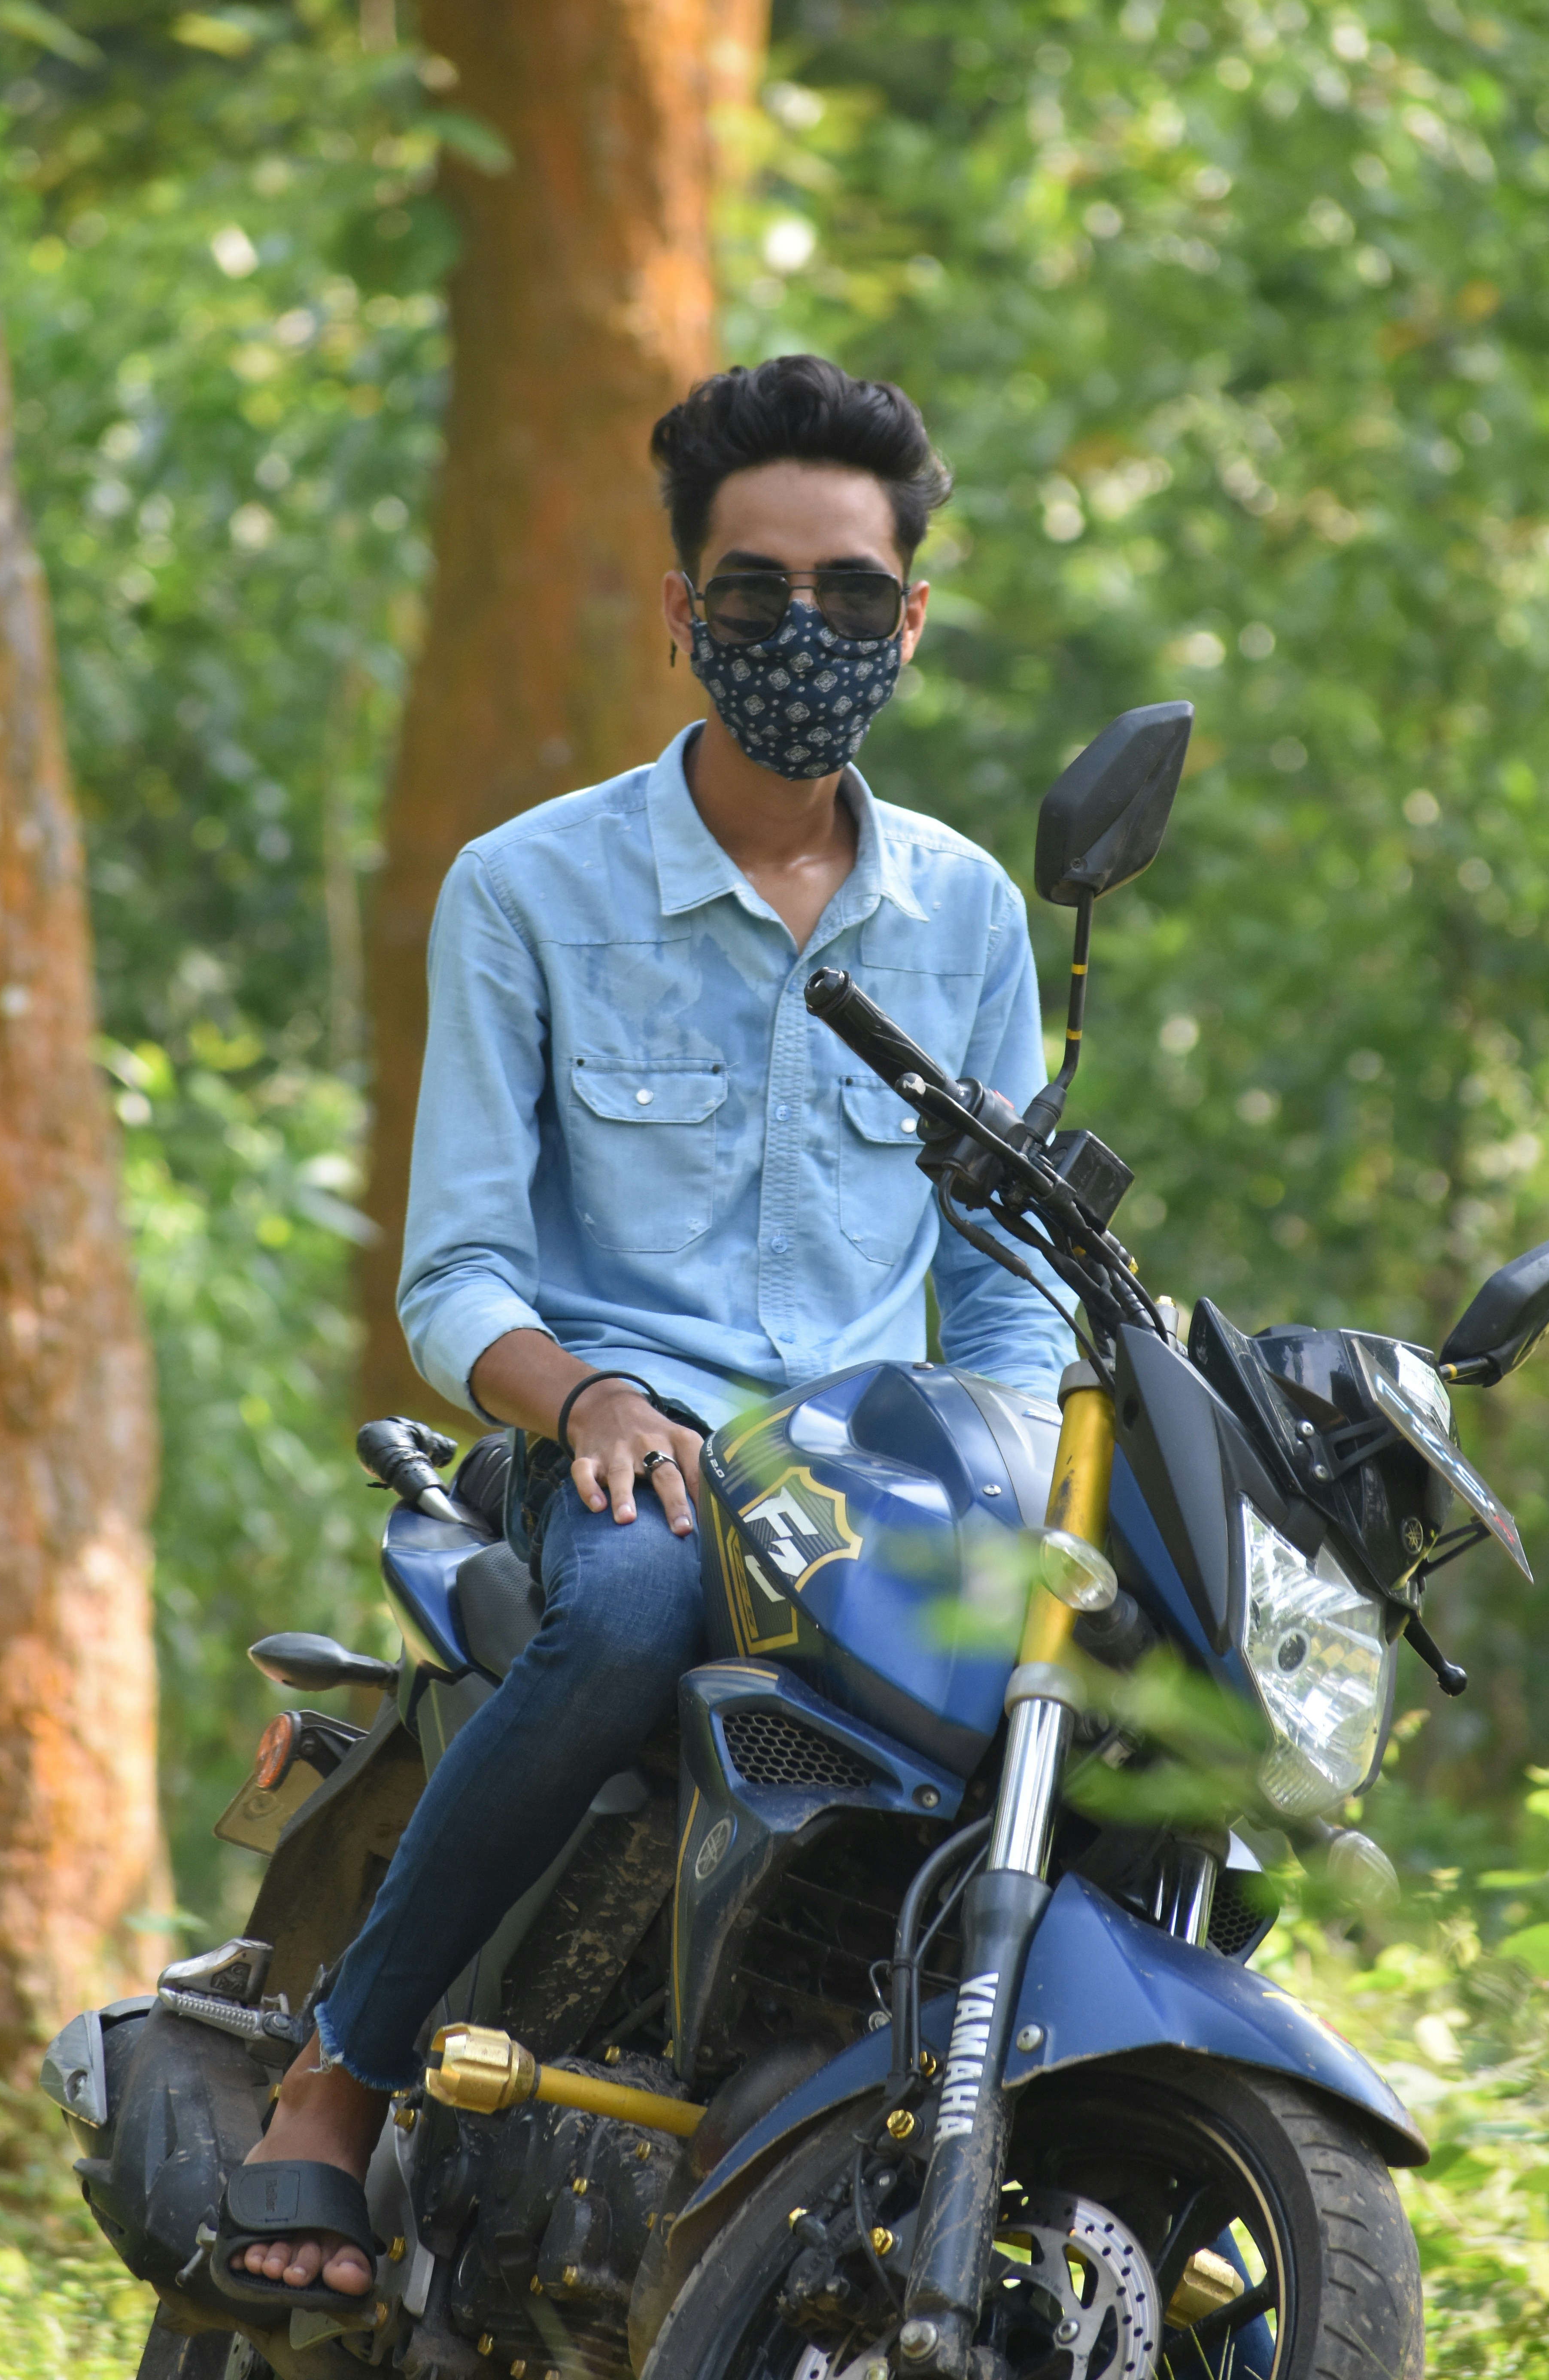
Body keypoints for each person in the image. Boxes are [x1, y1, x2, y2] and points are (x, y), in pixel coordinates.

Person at [224, 356, 1074, 2299]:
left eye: (851, 593)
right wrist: (589, 1392)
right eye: (756, 591)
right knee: (626, 1610)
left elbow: (1006, 1273)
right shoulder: (529, 888)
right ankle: (337, 2082)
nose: (805, 631)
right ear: (687, 612)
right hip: (626, 1459)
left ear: (911, 623)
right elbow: (453, 1277)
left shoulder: (965, 917)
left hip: (874, 1494)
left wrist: (1019, 1460)